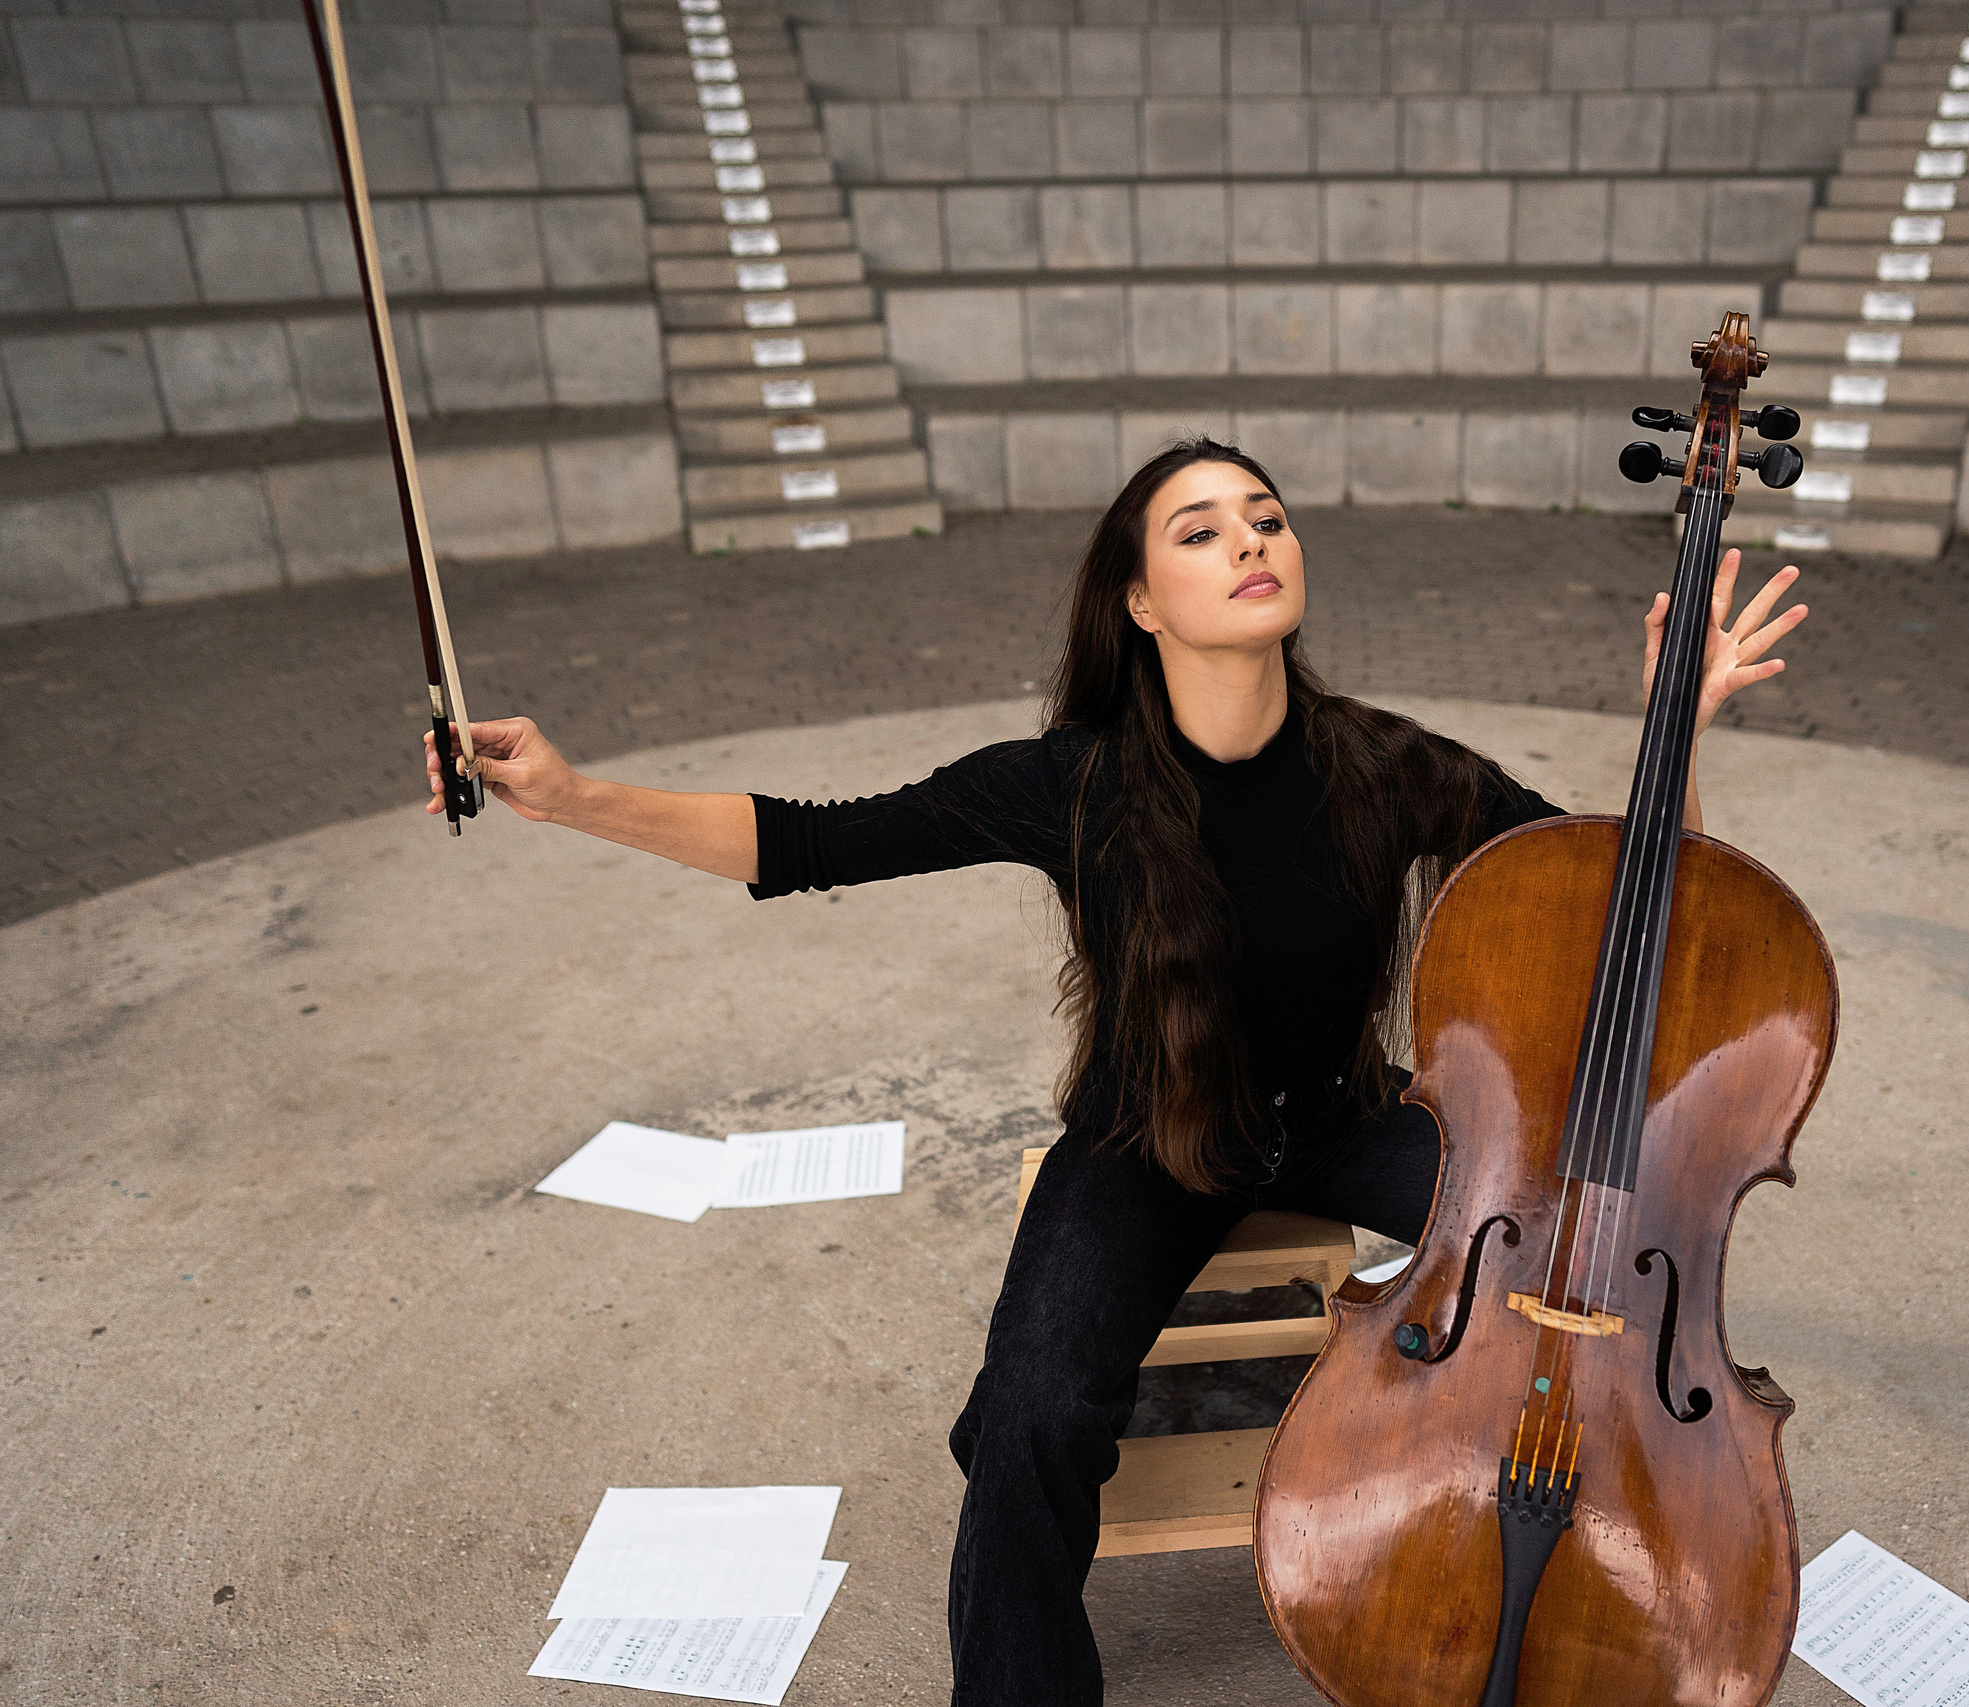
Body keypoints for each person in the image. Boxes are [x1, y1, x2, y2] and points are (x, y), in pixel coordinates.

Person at [423, 438, 1808, 1705]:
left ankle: (1550, 1572)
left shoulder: (1384, 764)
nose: (1250, 540)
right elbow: (808, 841)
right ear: (1140, 601)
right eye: (1200, 531)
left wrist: (1674, 727)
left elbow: (1621, 903)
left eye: (1264, 518)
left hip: (1346, 1118)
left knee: (1578, 1256)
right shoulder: (1073, 782)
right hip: (1145, 1144)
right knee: (1027, 1422)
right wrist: (568, 792)